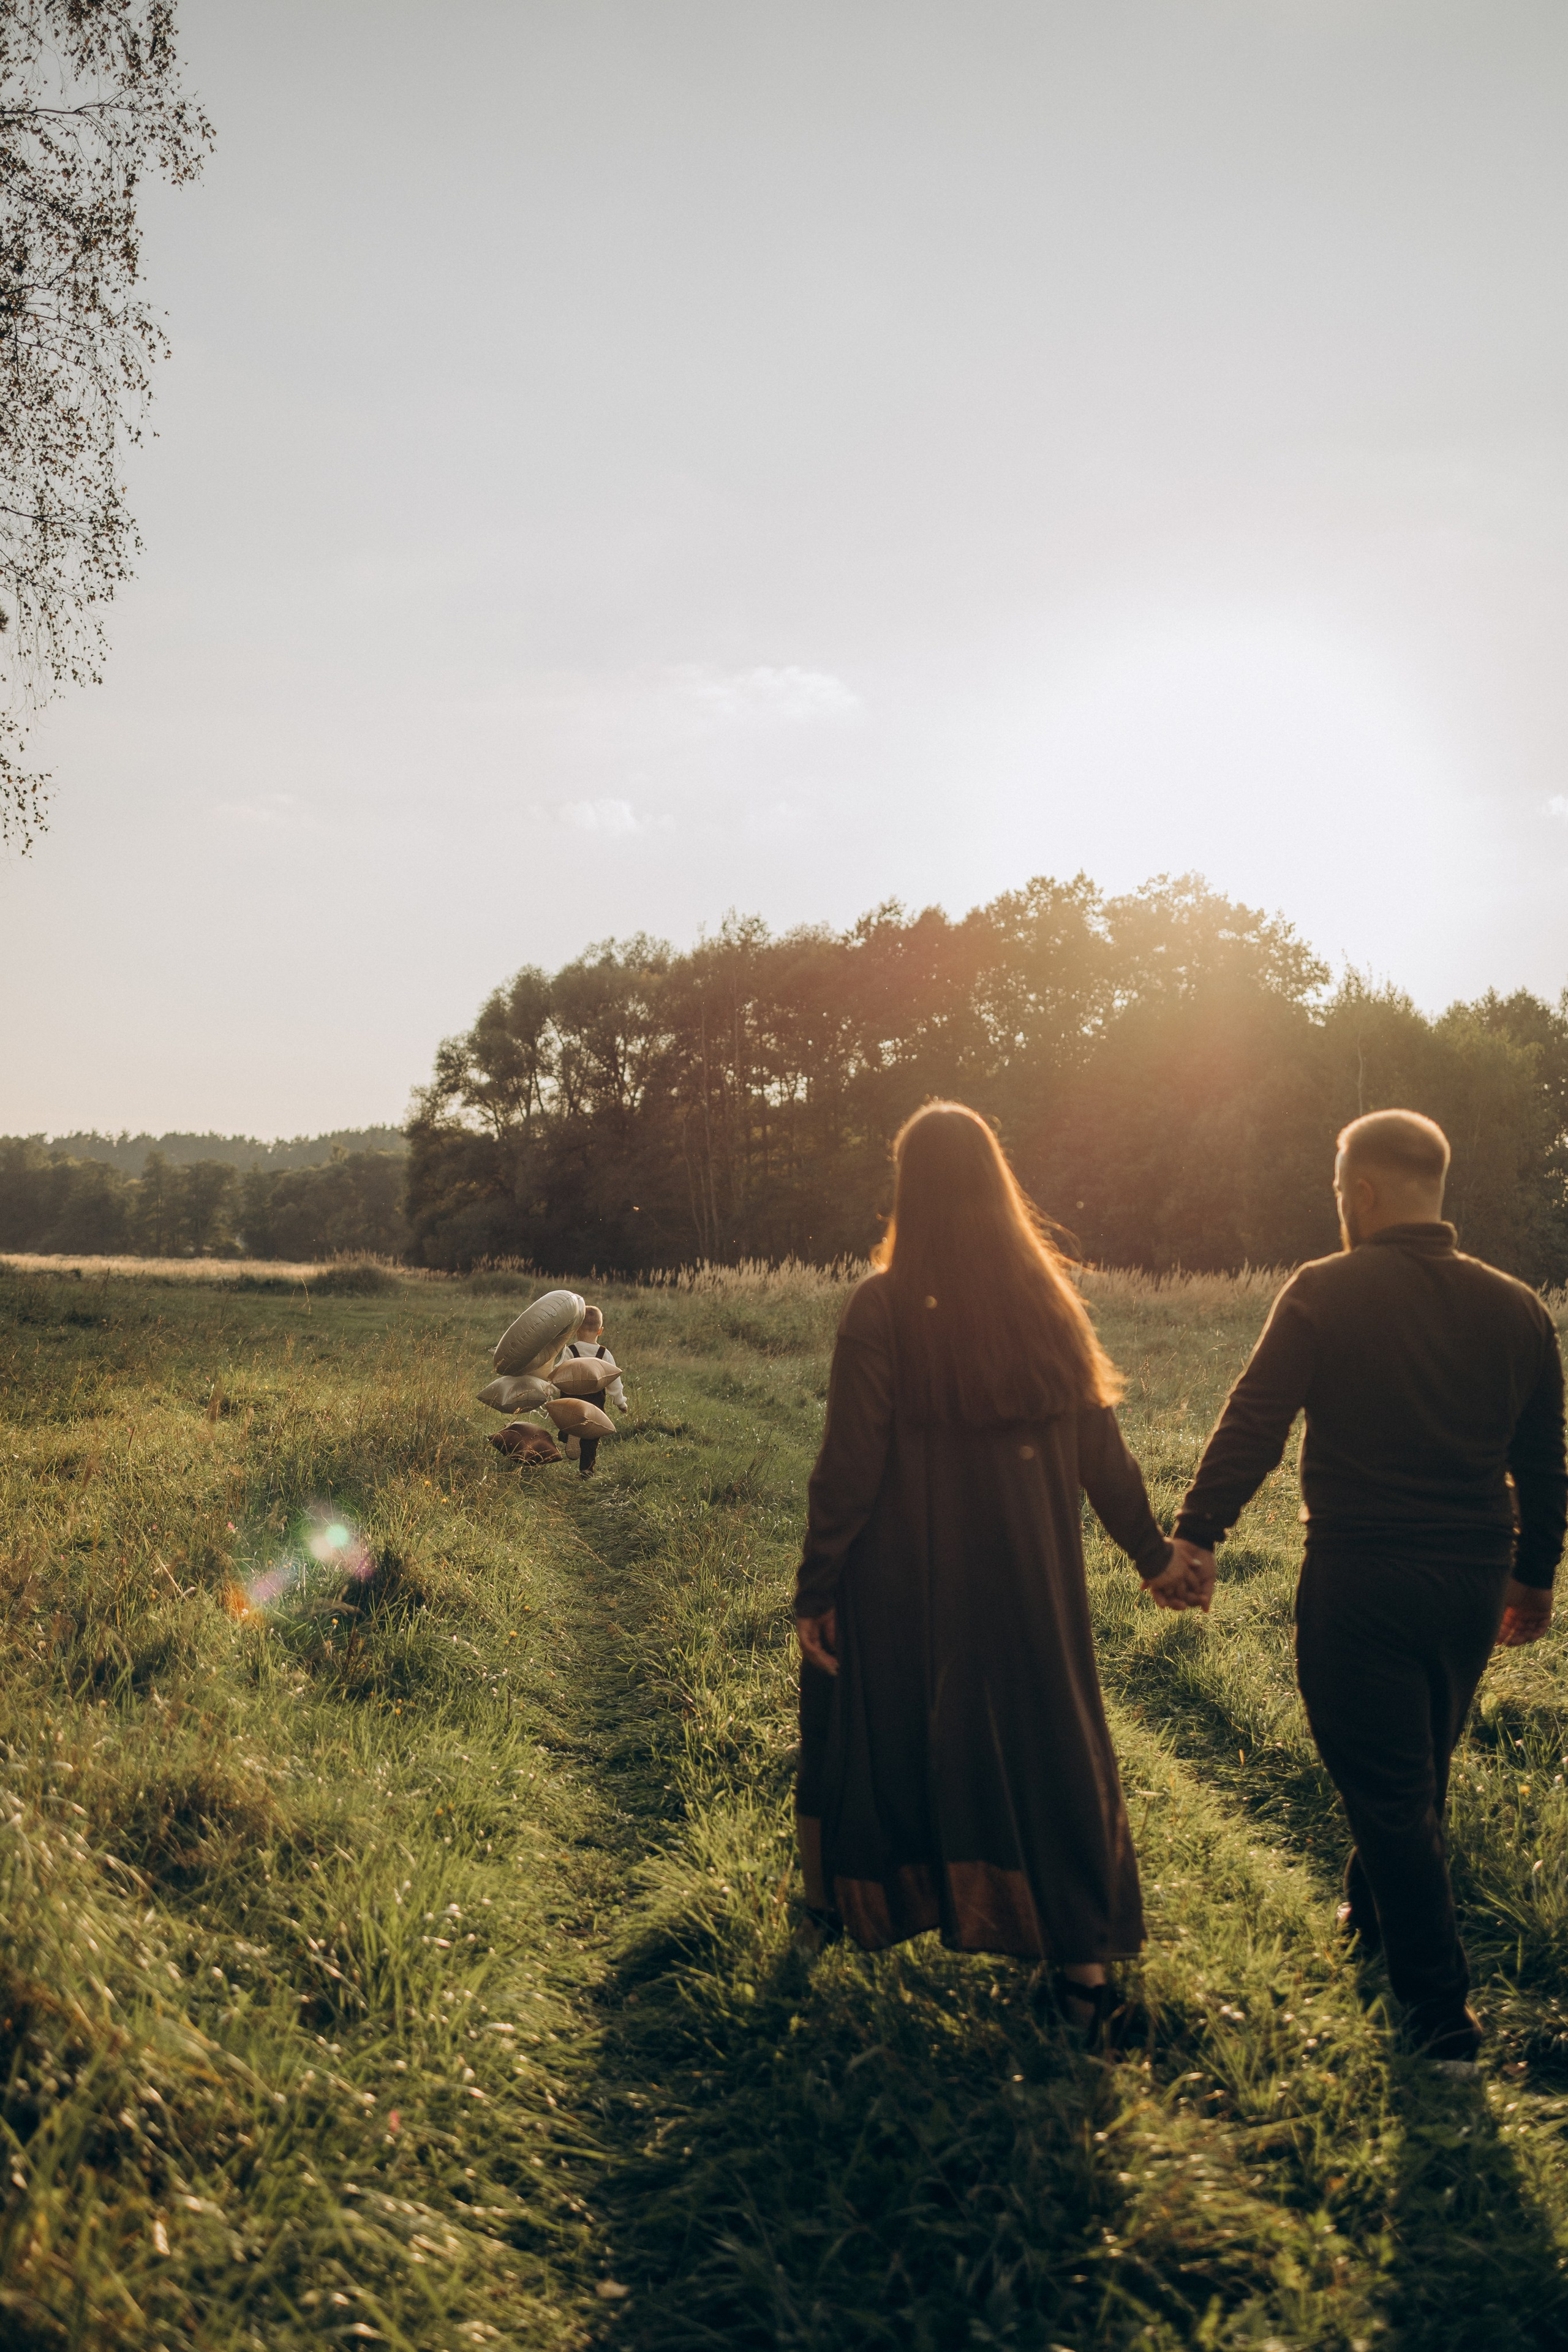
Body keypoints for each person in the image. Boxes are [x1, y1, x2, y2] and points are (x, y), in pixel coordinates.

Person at [1167, 1109, 1567, 2069]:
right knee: (1413, 1770)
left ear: (1363, 1192)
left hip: (1362, 1574)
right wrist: (1536, 1576)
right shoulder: (1519, 1307)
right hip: (1474, 1576)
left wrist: (1198, 1533)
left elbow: (1255, 1422)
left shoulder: (1324, 1290)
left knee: (1391, 1789)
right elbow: (1546, 1462)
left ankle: (1440, 2019)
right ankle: (1370, 1932)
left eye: (1340, 1189)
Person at [794, 1101, 1198, 2037]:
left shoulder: (881, 1305)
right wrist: (1154, 1557)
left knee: (880, 1732)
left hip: (903, 1581)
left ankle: (841, 1910)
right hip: (1030, 1583)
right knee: (1050, 1751)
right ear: (998, 1186)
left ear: (908, 1190)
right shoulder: (1046, 1301)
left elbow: (848, 1464)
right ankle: (1085, 1986)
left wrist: (817, 1589)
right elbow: (1106, 1454)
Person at [559, 1306, 627, 1477]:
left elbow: (559, 1375)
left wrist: (548, 1390)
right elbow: (614, 1381)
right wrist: (620, 1402)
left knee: (568, 1420)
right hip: (594, 1406)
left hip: (570, 1404)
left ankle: (569, 1434)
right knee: (591, 1438)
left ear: (576, 1329)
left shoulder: (570, 1351)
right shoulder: (604, 1354)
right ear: (600, 1331)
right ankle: (587, 1470)